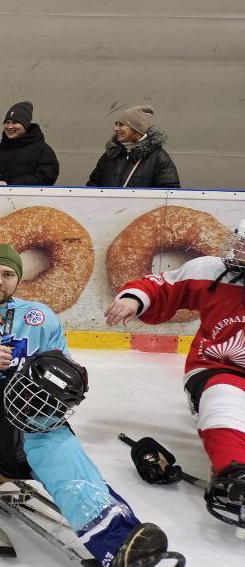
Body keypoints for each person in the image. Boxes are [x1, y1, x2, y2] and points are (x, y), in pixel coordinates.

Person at [0, 244, 173, 567]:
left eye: (8, 275)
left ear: (18, 278)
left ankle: (123, 538)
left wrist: (71, 382)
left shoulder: (40, 316)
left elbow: (65, 369)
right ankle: (116, 538)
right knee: (48, 439)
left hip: (32, 420)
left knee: (57, 440)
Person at [105, 220, 245, 527]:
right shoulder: (212, 271)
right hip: (217, 368)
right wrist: (134, 299)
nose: (238, 249)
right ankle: (234, 471)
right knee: (225, 400)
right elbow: (161, 285)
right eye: (241, 241)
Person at [85, 105, 180, 189]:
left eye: (121, 124)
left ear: (136, 128)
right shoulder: (110, 155)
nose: (116, 128)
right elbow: (92, 187)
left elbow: (169, 193)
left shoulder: (158, 157)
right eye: (116, 124)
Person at [0, 101, 59, 187]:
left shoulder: (43, 151)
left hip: (29, 202)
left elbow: (46, 176)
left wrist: (11, 185)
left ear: (26, 125)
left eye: (15, 122)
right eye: (7, 122)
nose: (9, 127)